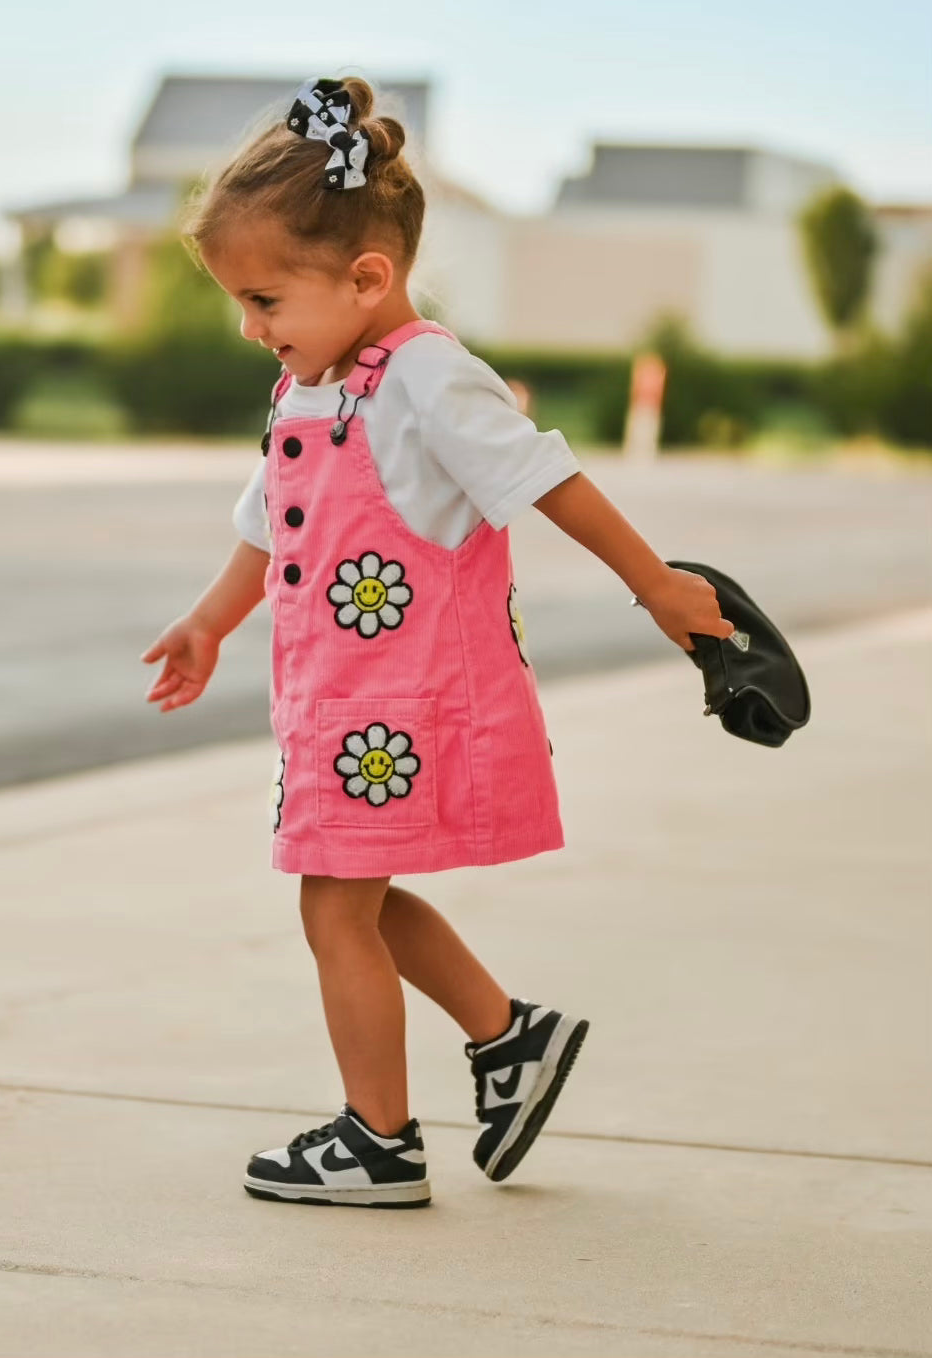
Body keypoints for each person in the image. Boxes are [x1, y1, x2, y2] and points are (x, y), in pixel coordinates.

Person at [141, 75, 734, 1210]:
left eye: (265, 299)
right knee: (349, 895)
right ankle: (509, 1036)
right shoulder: (310, 385)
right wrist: (210, 622)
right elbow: (268, 523)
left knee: (333, 903)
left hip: (400, 701)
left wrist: (654, 581)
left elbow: (544, 475)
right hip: (333, 702)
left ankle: (380, 1136)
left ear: (368, 277)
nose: (251, 327)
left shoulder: (424, 375)